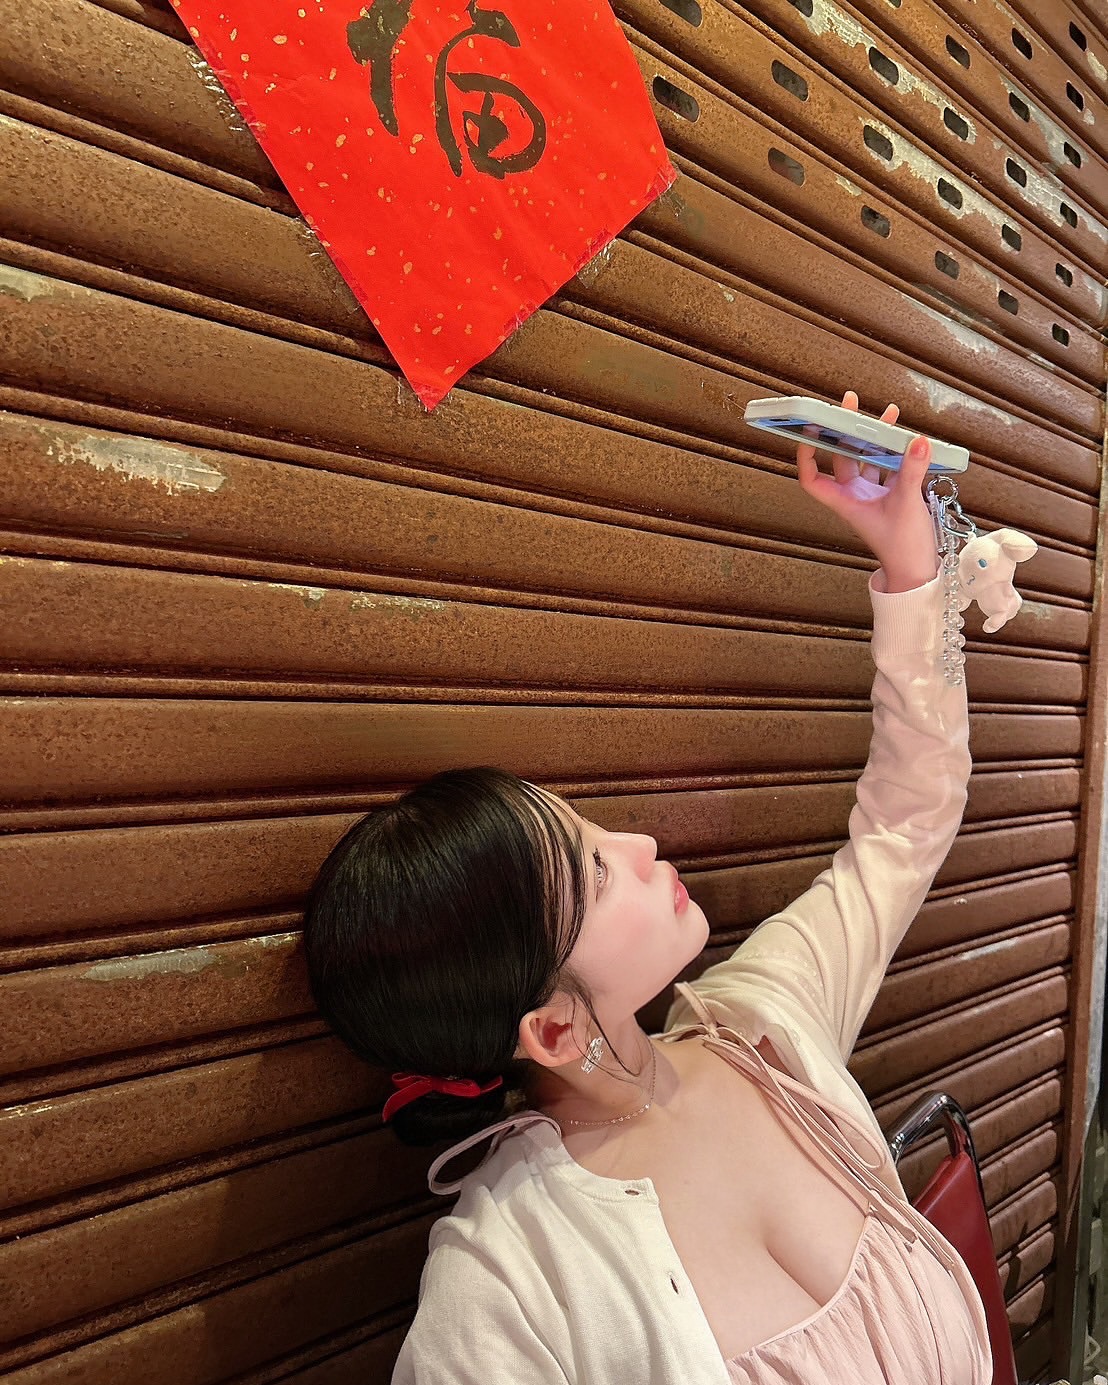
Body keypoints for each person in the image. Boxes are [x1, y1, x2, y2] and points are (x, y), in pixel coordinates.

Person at [303, 390, 994, 1383]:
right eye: (592, 867)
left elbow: (903, 823)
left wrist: (909, 565)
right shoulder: (503, 1287)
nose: (639, 842)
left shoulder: (760, 1025)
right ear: (551, 1029)